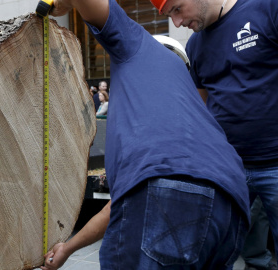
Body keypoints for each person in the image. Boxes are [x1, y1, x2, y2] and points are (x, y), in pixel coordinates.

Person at [40, 0, 250, 269]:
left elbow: (161, 191)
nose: (176, 22)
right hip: (231, 203)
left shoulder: (138, 45)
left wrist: (67, 4)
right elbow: (119, 207)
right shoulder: (187, 100)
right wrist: (67, 249)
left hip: (167, 192)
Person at [153, 0, 278, 268]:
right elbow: (201, 110)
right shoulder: (195, 46)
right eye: (168, 16)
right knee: (224, 248)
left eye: (177, 9)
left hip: (275, 163)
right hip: (228, 169)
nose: (176, 23)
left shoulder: (266, 9)